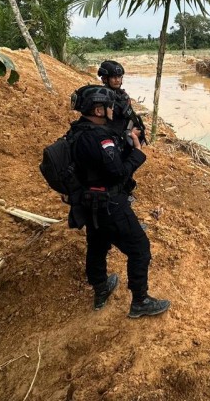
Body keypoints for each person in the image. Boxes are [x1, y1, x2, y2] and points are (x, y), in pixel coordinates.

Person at [68, 84, 170, 316]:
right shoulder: (101, 138)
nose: (111, 111)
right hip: (110, 204)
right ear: (98, 110)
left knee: (97, 245)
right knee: (140, 248)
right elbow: (117, 172)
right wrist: (136, 152)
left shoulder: (76, 132)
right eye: (107, 107)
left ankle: (101, 288)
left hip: (89, 203)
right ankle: (140, 301)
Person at [98, 60, 147, 198]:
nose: (117, 80)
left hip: (125, 137)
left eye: (119, 77)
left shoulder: (122, 95)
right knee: (118, 170)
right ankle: (119, 194)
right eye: (114, 77)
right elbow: (107, 123)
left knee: (128, 167)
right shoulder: (104, 98)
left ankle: (125, 190)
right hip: (114, 139)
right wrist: (128, 134)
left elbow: (128, 117)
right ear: (104, 79)